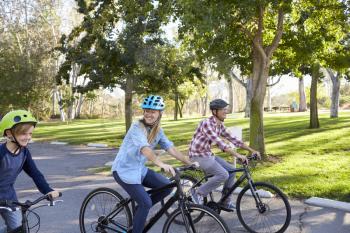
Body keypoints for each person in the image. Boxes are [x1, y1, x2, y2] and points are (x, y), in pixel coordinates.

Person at [112, 95, 197, 233]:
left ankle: (140, 211)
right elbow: (145, 149)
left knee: (166, 187)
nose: (149, 114)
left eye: (153, 111)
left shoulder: (158, 131)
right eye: (147, 110)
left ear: (160, 114)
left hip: (139, 169)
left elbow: (171, 148)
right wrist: (161, 164)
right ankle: (142, 212)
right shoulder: (136, 128)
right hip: (123, 171)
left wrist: (189, 162)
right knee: (146, 203)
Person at [189, 99, 261, 211]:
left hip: (208, 154)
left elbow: (234, 139)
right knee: (223, 174)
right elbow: (220, 143)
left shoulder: (220, 125)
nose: (225, 112)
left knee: (231, 171)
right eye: (223, 109)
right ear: (214, 111)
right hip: (198, 156)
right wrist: (238, 155)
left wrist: (252, 150)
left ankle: (224, 202)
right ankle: (197, 192)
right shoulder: (207, 123)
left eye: (225, 109)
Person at [0, 110, 60, 232]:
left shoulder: (24, 153)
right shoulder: (1, 153)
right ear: (9, 133)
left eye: (30, 133)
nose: (28, 137)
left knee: (17, 228)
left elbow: (35, 174)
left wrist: (47, 191)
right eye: (23, 133)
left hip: (8, 197)